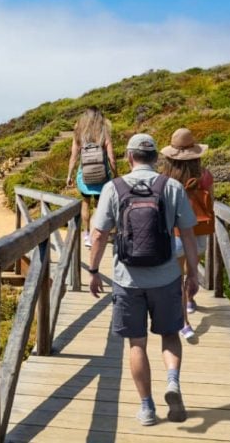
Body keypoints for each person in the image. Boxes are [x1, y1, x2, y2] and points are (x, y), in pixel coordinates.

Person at [87, 133, 199, 427]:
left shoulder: (114, 187)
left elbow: (98, 234)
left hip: (127, 279)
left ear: (129, 157)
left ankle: (147, 407)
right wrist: (193, 274)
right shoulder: (172, 187)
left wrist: (93, 270)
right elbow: (188, 233)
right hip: (166, 277)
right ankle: (172, 381)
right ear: (156, 158)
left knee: (137, 344)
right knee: (170, 334)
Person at [161, 128, 214, 340]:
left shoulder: (165, 178)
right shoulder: (205, 175)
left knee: (178, 276)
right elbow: (212, 201)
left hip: (175, 234)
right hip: (199, 232)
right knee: (192, 272)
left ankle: (183, 322)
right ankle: (190, 300)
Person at [64, 107, 116, 248]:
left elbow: (74, 156)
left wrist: (69, 175)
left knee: (85, 203)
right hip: (102, 176)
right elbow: (111, 157)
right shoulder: (104, 130)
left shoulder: (79, 131)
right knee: (99, 206)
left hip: (84, 175)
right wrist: (115, 173)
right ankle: (97, 234)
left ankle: (87, 235)